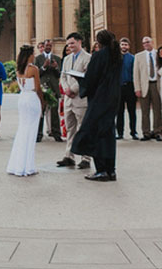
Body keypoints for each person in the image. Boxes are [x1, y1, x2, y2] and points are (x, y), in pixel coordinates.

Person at [72, 29, 121, 181]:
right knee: (108, 133)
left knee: (96, 133)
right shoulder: (117, 56)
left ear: (99, 41)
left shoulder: (98, 56)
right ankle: (111, 170)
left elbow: (90, 80)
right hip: (113, 98)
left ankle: (101, 170)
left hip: (99, 99)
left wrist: (80, 80)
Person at [6, 44, 44, 177]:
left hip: (22, 98)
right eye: (33, 54)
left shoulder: (18, 69)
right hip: (32, 98)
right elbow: (38, 88)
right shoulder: (33, 69)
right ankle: (28, 166)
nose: (34, 56)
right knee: (31, 131)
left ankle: (17, 164)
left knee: (23, 130)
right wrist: (42, 102)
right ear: (29, 55)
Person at [57, 31, 91, 169]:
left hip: (80, 98)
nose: (70, 46)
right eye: (68, 44)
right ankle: (69, 156)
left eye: (72, 43)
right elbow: (63, 77)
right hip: (68, 99)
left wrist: (73, 89)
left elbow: (86, 77)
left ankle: (86, 157)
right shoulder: (66, 59)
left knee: (83, 128)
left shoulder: (88, 58)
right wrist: (66, 89)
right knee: (70, 128)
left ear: (79, 42)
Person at [133, 36, 162, 140]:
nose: (146, 44)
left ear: (152, 42)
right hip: (144, 85)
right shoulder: (138, 56)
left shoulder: (159, 54)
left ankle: (157, 131)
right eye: (144, 43)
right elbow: (136, 74)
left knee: (157, 109)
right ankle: (146, 132)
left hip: (156, 84)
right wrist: (137, 88)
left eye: (147, 42)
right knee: (145, 111)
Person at [35, 39, 62, 142]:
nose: (48, 47)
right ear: (44, 46)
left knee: (55, 112)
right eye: (46, 45)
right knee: (41, 111)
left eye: (50, 46)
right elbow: (36, 74)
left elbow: (59, 74)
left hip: (53, 88)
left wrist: (55, 68)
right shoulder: (38, 59)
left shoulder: (57, 59)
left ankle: (56, 133)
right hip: (42, 88)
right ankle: (38, 134)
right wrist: (44, 67)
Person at [117, 37, 137, 139]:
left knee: (132, 111)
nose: (124, 46)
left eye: (126, 44)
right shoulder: (116, 58)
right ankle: (120, 132)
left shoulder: (133, 58)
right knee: (119, 111)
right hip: (119, 87)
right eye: (122, 44)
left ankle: (133, 132)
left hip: (130, 86)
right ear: (119, 46)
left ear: (128, 46)